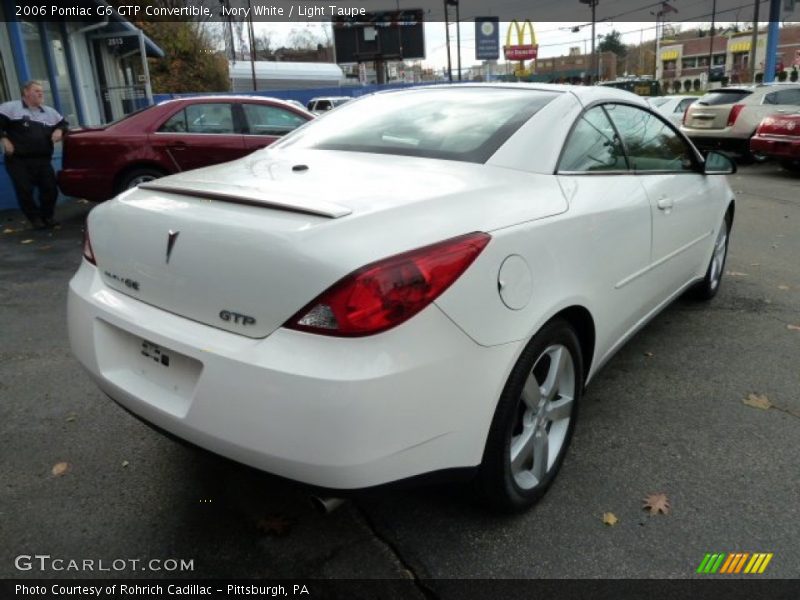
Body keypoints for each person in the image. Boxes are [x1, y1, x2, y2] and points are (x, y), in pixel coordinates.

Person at [0, 80, 68, 229]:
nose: (41, 93)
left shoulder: (50, 112)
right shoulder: (10, 108)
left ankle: (47, 216)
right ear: (26, 93)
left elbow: (64, 124)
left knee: (50, 189)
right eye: (37, 90)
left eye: (42, 91)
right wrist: (4, 139)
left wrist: (59, 130)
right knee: (25, 190)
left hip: (42, 160)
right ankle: (35, 219)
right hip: (18, 160)